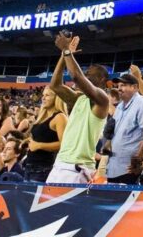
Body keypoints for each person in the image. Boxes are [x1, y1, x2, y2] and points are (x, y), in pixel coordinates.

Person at [46, 31, 110, 184]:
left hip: (77, 168)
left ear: (101, 78)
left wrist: (67, 51)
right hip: (61, 164)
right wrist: (64, 54)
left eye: (90, 72)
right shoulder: (79, 98)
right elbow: (55, 85)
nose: (86, 73)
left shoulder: (102, 100)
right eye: (86, 71)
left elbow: (76, 76)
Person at [105, 71, 143, 184]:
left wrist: (138, 160)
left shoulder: (142, 103)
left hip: (130, 169)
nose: (119, 89)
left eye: (124, 85)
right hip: (114, 167)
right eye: (118, 86)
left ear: (135, 87)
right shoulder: (120, 106)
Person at [24, 87, 67, 182]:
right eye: (43, 95)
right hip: (29, 165)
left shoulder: (60, 117)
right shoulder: (42, 116)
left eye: (47, 95)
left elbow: (64, 144)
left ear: (57, 98)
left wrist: (39, 145)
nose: (43, 98)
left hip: (43, 168)